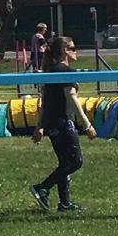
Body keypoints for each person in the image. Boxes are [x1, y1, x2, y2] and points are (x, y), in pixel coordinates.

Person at [27, 36, 93, 212]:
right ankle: (42, 187)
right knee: (75, 161)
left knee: (64, 163)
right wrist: (87, 124)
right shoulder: (66, 72)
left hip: (51, 124)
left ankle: (65, 203)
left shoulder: (50, 71)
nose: (76, 52)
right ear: (64, 51)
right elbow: (71, 97)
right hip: (63, 122)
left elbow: (45, 101)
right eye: (73, 48)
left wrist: (40, 126)